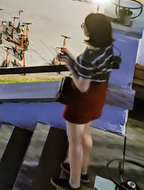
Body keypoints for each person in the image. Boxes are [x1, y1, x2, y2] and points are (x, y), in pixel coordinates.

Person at [51, 13, 119, 190]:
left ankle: (73, 183)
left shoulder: (89, 55)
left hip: (82, 101)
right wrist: (75, 63)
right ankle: (83, 171)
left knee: (75, 143)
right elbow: (92, 71)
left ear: (91, 30)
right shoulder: (108, 47)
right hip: (98, 94)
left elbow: (82, 86)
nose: (83, 27)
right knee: (86, 135)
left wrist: (70, 65)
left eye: (85, 25)